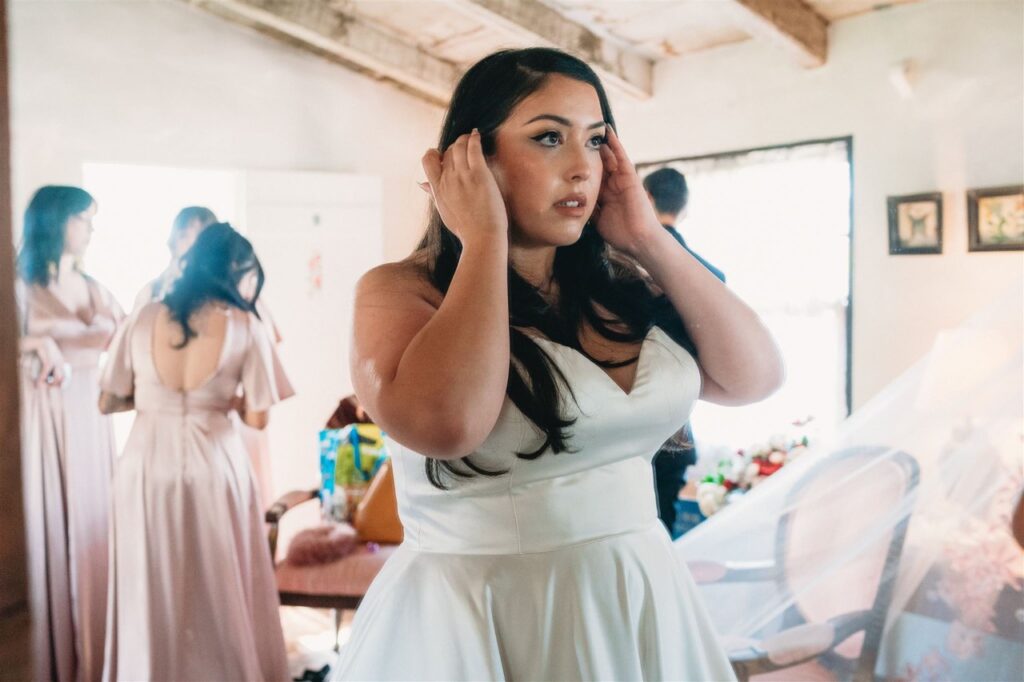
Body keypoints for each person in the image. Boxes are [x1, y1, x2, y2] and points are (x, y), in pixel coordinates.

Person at [333, 48, 783, 681]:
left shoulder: (622, 286)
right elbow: (447, 425)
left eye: (596, 141)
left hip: (643, 596)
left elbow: (755, 377)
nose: (582, 167)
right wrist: (483, 240)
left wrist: (648, 237)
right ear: (473, 157)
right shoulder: (399, 292)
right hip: (486, 617)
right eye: (549, 137)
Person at [99, 223, 291, 681]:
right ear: (237, 272)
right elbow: (259, 419)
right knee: (217, 584)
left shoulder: (143, 317)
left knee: (148, 583)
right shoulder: (245, 325)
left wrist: (155, 401)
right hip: (214, 463)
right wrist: (222, 399)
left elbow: (108, 399)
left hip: (145, 465)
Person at [16, 185, 123, 682]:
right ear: (57, 221)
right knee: (51, 531)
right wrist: (38, 341)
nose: (92, 230)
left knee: (94, 529)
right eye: (85, 218)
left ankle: (95, 658)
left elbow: (126, 337)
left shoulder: (95, 286)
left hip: (90, 416)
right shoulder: (18, 283)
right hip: (44, 415)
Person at [643, 167, 727, 536]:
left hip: (632, 419)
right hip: (678, 424)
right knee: (666, 529)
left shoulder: (622, 264)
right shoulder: (708, 275)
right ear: (684, 208)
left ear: (645, 199)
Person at [132, 206, 217, 311]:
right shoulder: (151, 291)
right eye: (181, 235)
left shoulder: (220, 293)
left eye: (184, 235)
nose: (174, 243)